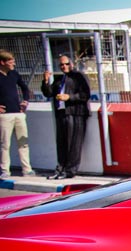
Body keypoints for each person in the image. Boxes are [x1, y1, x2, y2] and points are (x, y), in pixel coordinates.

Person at [41, 55, 90, 180]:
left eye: (67, 64)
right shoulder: (59, 79)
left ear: (71, 64)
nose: (64, 66)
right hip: (62, 113)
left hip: (75, 114)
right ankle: (60, 169)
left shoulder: (79, 77)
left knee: (73, 143)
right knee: (61, 143)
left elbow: (85, 94)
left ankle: (69, 171)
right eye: (62, 65)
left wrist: (69, 97)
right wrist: (45, 81)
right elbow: (48, 93)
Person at [0, 50, 34, 179]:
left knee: (23, 142)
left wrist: (25, 101)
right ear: (2, 62)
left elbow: (25, 88)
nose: (13, 63)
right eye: (10, 61)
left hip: (18, 113)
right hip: (4, 116)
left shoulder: (14, 74)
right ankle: (5, 170)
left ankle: (27, 169)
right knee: (5, 144)